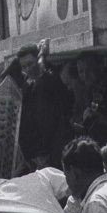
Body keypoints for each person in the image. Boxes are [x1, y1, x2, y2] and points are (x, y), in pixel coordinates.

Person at [16, 42, 73, 170]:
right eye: (24, 67)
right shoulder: (27, 88)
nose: (28, 69)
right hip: (35, 156)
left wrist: (42, 57)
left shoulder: (50, 82)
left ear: (38, 61)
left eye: (30, 64)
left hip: (53, 151)